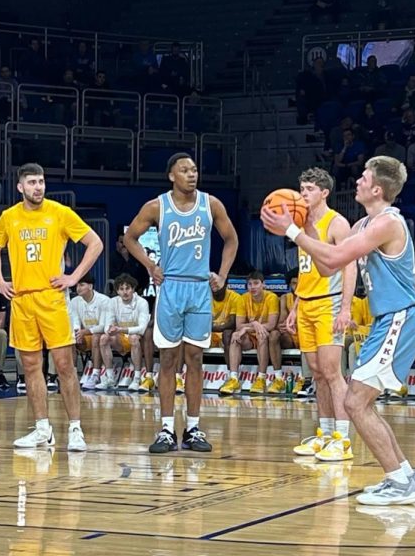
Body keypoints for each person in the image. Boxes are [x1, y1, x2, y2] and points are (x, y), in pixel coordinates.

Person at [262, 155, 415, 507]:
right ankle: (405, 474)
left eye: (364, 177)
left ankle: (400, 481)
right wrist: (303, 227)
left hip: (400, 317)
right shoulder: (363, 224)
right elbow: (325, 265)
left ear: (377, 188)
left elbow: (336, 260)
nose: (358, 181)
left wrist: (289, 230)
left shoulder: (386, 223)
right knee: (361, 402)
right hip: (387, 320)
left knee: (354, 402)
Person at [125, 153, 238, 455]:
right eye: (185, 170)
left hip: (200, 287)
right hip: (170, 287)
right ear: (171, 175)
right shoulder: (156, 206)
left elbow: (231, 239)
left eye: (195, 169)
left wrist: (223, 274)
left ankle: (193, 427)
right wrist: (150, 265)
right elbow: (130, 238)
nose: (192, 174)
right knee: (169, 359)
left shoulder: (211, 204)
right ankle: (165, 429)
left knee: (196, 359)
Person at [0, 163, 104, 451]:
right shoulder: (9, 217)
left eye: (41, 181)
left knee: (64, 365)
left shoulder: (59, 212)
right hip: (23, 300)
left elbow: (95, 243)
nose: (38, 187)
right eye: (32, 182)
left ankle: (75, 429)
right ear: (20, 187)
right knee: (30, 366)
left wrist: (74, 277)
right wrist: (0, 281)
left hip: (52, 298)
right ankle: (42, 429)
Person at [282, 168, 354, 460]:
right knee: (318, 374)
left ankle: (343, 438)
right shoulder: (301, 223)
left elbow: (351, 266)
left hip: (330, 303)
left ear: (324, 192)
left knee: (333, 372)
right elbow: (305, 271)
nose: (303, 194)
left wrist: (346, 307)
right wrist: (297, 305)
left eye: (309, 189)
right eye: (301, 188)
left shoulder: (336, 223)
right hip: (307, 303)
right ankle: (324, 434)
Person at [220, 270, 281, 395]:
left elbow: (271, 325)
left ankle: (261, 378)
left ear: (263, 284)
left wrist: (250, 326)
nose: (252, 287)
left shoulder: (272, 298)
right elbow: (238, 325)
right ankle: (233, 378)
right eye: (249, 284)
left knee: (262, 335)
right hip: (250, 336)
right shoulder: (242, 299)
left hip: (264, 335)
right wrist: (252, 325)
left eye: (256, 283)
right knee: (235, 336)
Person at [100, 273, 150, 390]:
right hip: (119, 337)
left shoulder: (142, 302)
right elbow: (107, 324)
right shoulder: (112, 302)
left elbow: (142, 328)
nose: (125, 292)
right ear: (117, 291)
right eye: (121, 289)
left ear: (133, 289)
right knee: (104, 338)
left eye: (127, 288)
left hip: (138, 338)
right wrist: (110, 329)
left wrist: (121, 329)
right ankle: (110, 377)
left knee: (133, 338)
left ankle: (137, 378)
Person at [70, 276, 110, 389]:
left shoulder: (104, 300)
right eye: (77, 285)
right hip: (84, 335)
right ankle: (72, 375)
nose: (78, 288)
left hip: (101, 335)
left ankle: (95, 374)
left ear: (91, 286)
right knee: (70, 339)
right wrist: (77, 333)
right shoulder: (74, 301)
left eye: (81, 285)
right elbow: (75, 321)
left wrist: (86, 331)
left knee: (96, 337)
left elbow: (103, 326)